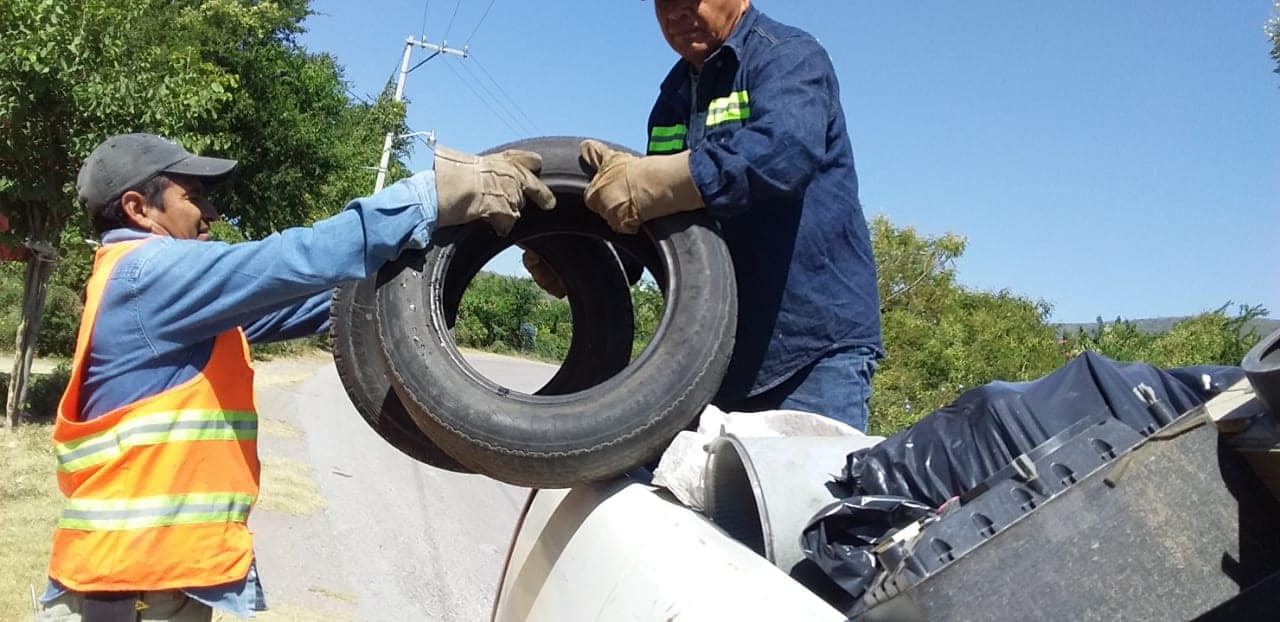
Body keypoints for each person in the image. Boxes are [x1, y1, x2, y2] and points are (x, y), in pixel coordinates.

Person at [37, 133, 554, 621]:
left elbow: (326, 303)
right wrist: (432, 196)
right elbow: (289, 260)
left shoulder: (163, 293)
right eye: (192, 195)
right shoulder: (145, 273)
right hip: (134, 585)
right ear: (137, 208)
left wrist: (448, 268)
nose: (210, 212)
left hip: (148, 574)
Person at [528, 0, 883, 430]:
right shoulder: (672, 98)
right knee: (700, 497)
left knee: (803, 496)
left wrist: (661, 180)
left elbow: (784, 155)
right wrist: (581, 262)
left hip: (811, 356)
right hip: (711, 357)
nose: (676, 13)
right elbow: (662, 229)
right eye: (664, 3)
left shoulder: (786, 56)